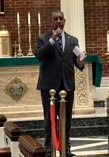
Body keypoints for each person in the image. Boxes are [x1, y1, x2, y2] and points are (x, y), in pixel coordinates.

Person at [35, 9, 86, 157]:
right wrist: (52, 39)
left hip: (67, 85)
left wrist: (80, 62)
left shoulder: (73, 40)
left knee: (66, 119)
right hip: (49, 86)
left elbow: (78, 64)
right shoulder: (43, 38)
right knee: (49, 119)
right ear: (51, 21)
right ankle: (49, 148)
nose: (58, 21)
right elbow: (40, 55)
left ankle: (66, 148)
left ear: (64, 21)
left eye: (61, 18)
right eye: (55, 19)